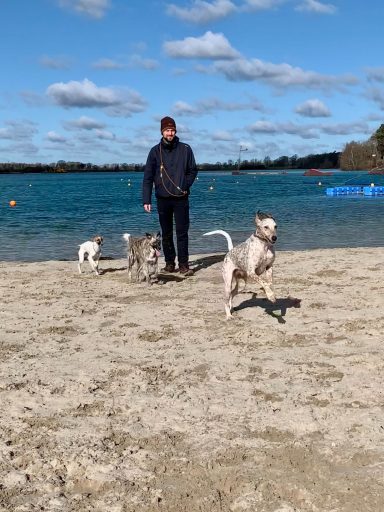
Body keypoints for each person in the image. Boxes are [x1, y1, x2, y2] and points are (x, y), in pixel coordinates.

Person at [142, 116, 198, 276]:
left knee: (182, 232)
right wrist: (146, 199)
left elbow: (193, 170)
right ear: (162, 131)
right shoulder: (154, 151)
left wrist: (185, 184)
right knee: (165, 233)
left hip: (181, 198)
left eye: (172, 130)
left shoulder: (185, 149)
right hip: (162, 199)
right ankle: (169, 263)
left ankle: (184, 265)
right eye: (167, 130)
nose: (170, 133)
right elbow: (148, 176)